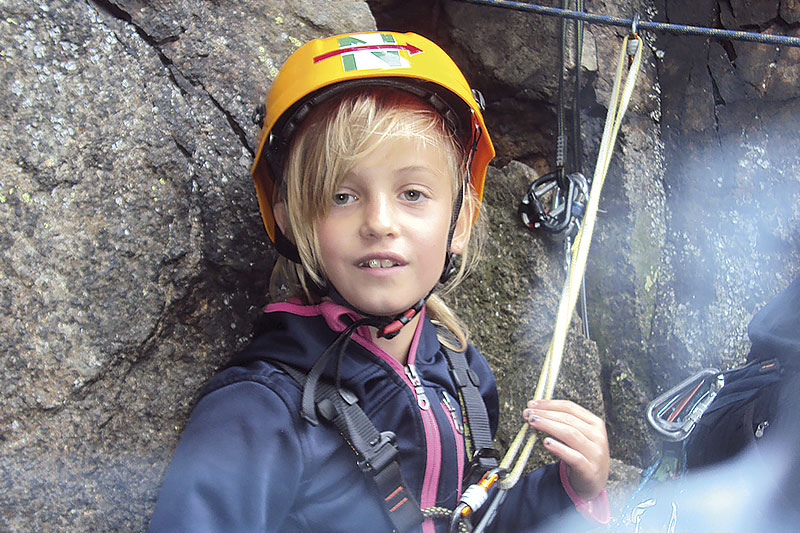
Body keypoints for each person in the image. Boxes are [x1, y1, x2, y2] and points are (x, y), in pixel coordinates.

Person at [148, 31, 610, 532]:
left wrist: (570, 492)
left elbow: (467, 518)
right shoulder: (258, 415)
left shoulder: (462, 374)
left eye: (412, 192)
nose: (379, 222)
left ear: (459, 222)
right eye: (342, 197)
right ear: (291, 220)